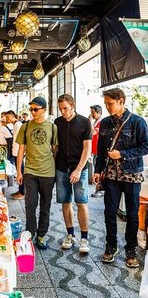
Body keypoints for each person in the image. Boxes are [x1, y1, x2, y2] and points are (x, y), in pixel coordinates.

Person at [93, 88, 148, 268]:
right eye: (106, 103)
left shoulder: (137, 121)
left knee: (132, 214)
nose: (107, 107)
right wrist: (97, 169)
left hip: (131, 174)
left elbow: (146, 146)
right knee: (109, 212)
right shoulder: (105, 123)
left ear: (121, 101)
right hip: (110, 175)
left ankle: (130, 250)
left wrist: (122, 154)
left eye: (110, 103)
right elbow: (101, 150)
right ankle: (111, 246)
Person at [16, 97, 58, 250]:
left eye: (36, 109)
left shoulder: (53, 127)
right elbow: (21, 150)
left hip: (48, 172)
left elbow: (55, 150)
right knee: (30, 203)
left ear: (44, 110)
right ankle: (30, 232)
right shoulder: (25, 127)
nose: (33, 112)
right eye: (31, 109)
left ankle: (41, 234)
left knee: (45, 205)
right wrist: (19, 171)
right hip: (30, 171)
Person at [54, 94, 92, 254]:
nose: (63, 112)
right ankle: (70, 234)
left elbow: (87, 148)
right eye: (60, 109)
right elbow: (55, 146)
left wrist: (78, 169)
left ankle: (84, 238)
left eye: (66, 108)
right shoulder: (57, 122)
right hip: (61, 167)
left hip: (80, 168)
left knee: (81, 202)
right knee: (65, 202)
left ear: (73, 105)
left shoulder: (84, 122)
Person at [9, 110, 24, 200]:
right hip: (16, 151)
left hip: (19, 152)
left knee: (21, 172)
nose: (7, 119)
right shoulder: (15, 124)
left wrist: (20, 152)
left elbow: (21, 140)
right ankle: (20, 190)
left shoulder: (18, 124)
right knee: (19, 172)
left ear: (13, 116)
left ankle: (22, 193)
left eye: (8, 117)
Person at [89, 105, 103, 198]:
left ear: (99, 113)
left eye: (93, 113)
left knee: (98, 170)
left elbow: (93, 132)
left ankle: (100, 190)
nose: (92, 114)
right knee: (95, 168)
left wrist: (89, 122)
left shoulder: (101, 123)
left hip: (98, 150)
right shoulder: (96, 122)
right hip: (95, 150)